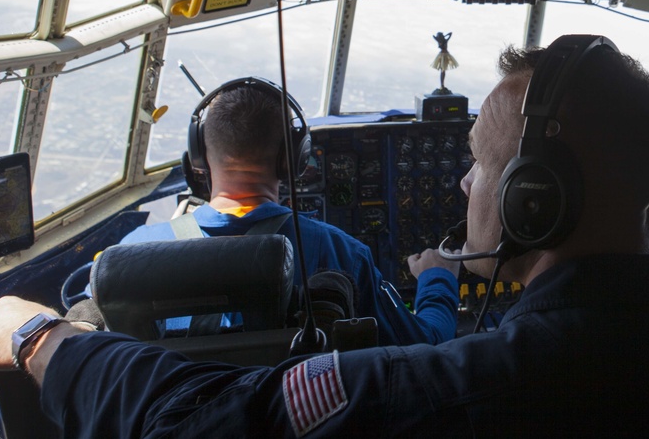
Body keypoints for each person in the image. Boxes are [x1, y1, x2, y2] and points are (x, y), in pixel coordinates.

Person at [0, 36, 649, 438]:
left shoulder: (455, 388)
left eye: (479, 167)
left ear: (533, 199)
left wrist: (42, 337)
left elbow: (220, 420)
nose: (460, 185)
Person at [113, 78, 460, 347]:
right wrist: (438, 277)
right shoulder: (341, 253)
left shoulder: (131, 254)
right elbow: (426, 343)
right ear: (293, 159)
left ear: (199, 157)